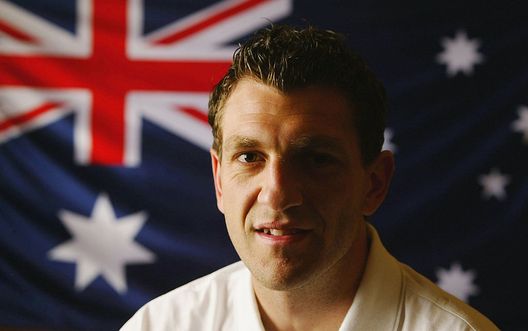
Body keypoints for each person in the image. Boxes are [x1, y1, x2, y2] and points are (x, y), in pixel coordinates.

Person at [121, 25, 498, 331]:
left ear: (375, 183)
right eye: (250, 157)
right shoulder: (158, 326)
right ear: (220, 180)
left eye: (316, 159)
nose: (278, 194)